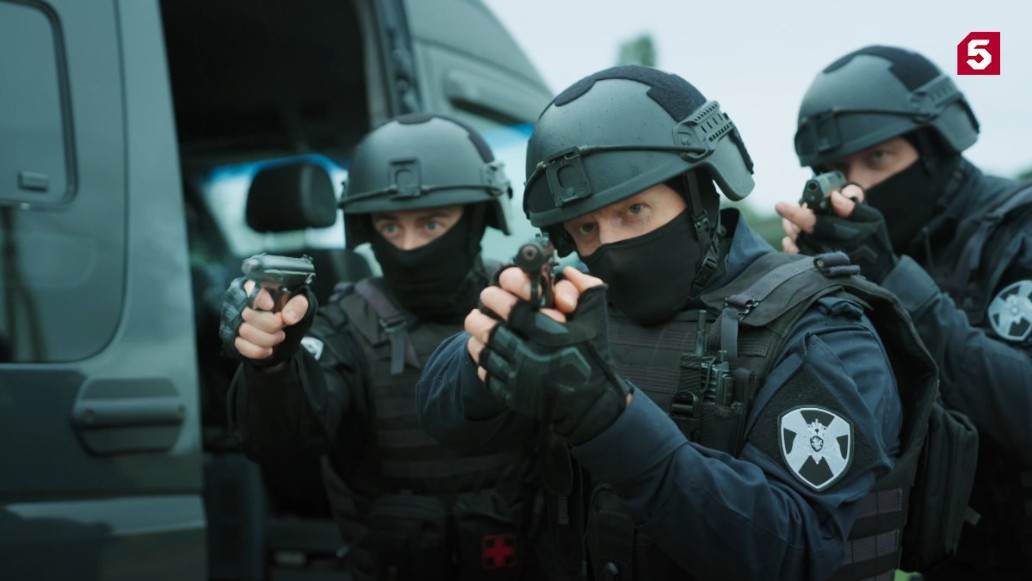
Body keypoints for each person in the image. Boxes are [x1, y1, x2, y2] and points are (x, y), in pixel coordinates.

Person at [416, 65, 936, 580]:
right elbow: (442, 417)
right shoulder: (578, 303)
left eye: (634, 210)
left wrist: (607, 418)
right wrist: (496, 344)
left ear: (697, 192)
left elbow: (792, 550)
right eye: (586, 227)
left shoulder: (823, 328)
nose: (611, 245)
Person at [220, 113, 545, 581]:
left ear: (476, 218)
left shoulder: (523, 303)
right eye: (390, 228)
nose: (409, 247)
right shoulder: (345, 324)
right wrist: (273, 364)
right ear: (368, 228)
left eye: (431, 223)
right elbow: (285, 437)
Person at [776, 45, 1032, 579]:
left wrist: (890, 278)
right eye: (836, 170)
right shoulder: (880, 245)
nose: (857, 187)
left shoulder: (1018, 235)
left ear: (936, 146)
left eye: (879, 158)